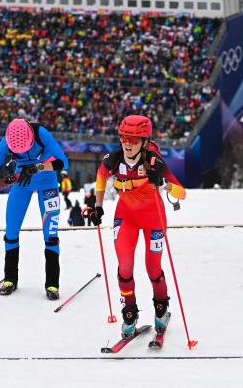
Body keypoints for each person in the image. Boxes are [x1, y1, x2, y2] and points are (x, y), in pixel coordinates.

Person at [85, 115, 187, 339]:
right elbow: (101, 176)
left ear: (144, 141)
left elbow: (182, 192)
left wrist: (164, 183)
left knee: (152, 267)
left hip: (154, 219)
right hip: (127, 216)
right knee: (125, 267)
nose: (127, 143)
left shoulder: (154, 161)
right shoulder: (114, 159)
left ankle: (161, 309)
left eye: (133, 139)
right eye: (124, 138)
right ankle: (129, 314)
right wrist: (98, 206)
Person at [0, 118, 69, 300]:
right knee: (11, 231)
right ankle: (10, 279)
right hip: (22, 184)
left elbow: (63, 162)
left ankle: (52, 285)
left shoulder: (41, 134)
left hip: (47, 184)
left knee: (50, 235)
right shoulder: (7, 141)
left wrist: (38, 167)